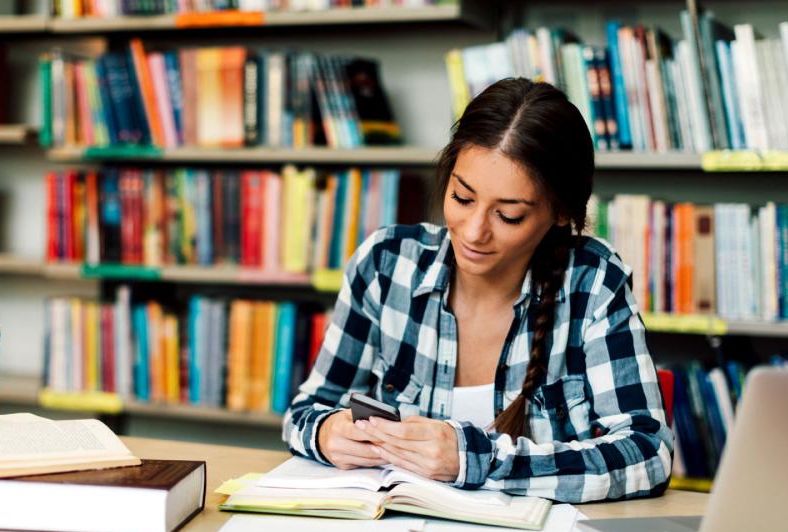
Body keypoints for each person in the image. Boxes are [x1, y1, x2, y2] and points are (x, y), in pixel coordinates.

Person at [282, 78, 673, 503]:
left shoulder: (593, 283)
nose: (472, 232)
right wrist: (326, 434)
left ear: (561, 213)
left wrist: (475, 461)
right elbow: (305, 411)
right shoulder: (385, 264)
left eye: (508, 216)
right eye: (462, 198)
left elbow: (648, 453)